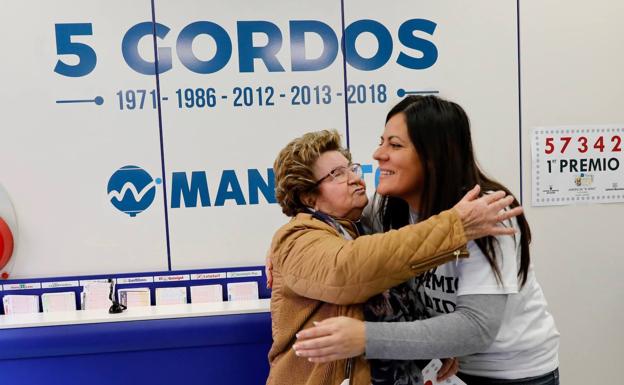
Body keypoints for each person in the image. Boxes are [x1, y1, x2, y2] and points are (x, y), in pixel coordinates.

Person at [293, 96, 560, 385]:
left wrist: (364, 337)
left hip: (511, 375)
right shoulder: (387, 208)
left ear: (434, 157)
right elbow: (334, 239)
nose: (378, 154)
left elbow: (476, 328)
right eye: (381, 142)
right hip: (446, 367)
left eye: (395, 145)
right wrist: (289, 240)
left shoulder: (486, 214)